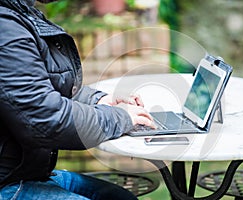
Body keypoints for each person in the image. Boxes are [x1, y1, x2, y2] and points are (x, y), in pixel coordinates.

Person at [0, 0, 155, 199]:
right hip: (8, 182)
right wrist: (120, 117)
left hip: (24, 171)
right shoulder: (6, 28)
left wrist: (99, 100)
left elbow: (42, 90)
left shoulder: (18, 12)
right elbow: (47, 120)